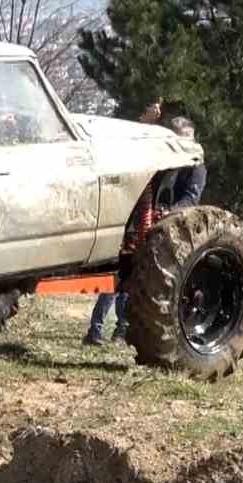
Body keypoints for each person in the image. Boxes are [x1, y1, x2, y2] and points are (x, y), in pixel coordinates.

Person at [84, 97, 164, 345]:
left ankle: (121, 330)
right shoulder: (132, 148)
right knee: (114, 284)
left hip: (139, 232)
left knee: (128, 286)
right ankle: (96, 331)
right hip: (126, 230)